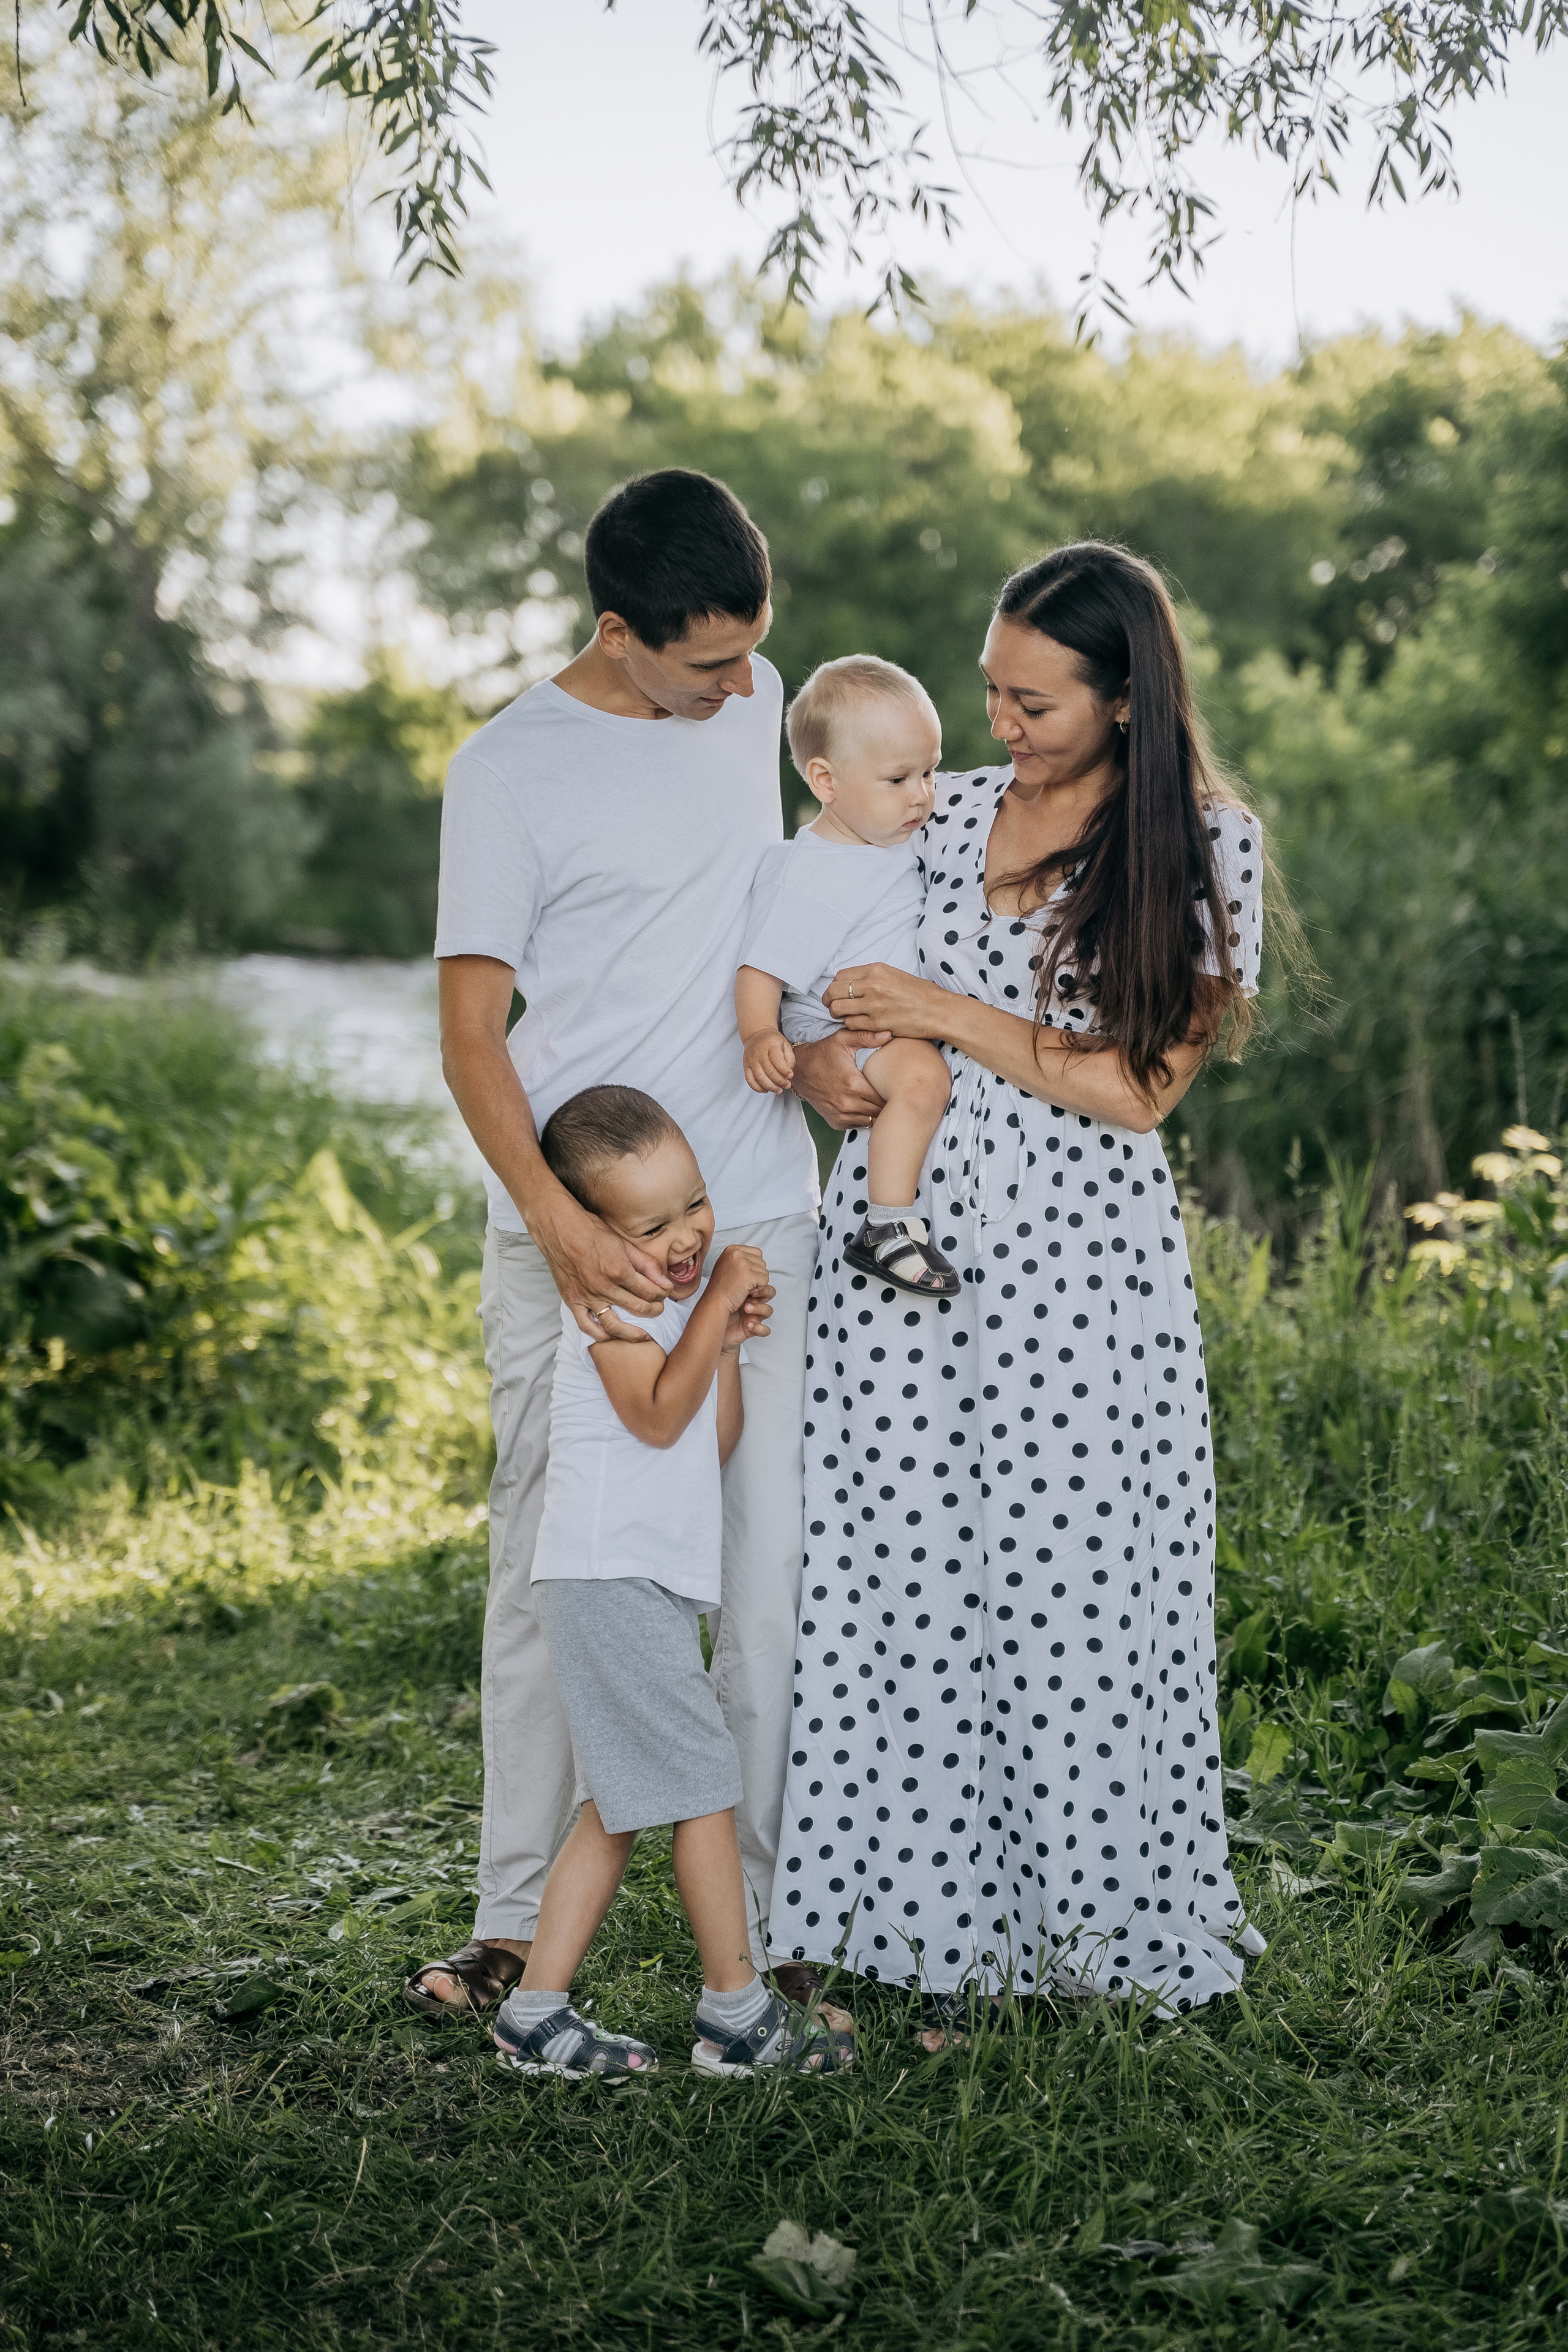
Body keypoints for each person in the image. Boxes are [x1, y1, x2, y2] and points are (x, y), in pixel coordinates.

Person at [769, 541, 1272, 2035]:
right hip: (898, 1242)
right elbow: (819, 947)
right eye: (990, 690)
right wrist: (808, 1052)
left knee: (1065, 1582)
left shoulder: (1199, 840)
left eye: (1034, 700)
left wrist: (939, 1011)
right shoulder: (945, 806)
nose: (1001, 724)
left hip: (1071, 1270)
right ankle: (922, 1937)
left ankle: (1086, 1932)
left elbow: (1132, 1090)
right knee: (902, 1575)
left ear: (1123, 698)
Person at [412, 470, 868, 2022]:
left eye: (753, 651)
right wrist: (556, 1232)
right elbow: (474, 1042)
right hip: (578, 1230)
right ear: (615, 631)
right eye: (704, 664)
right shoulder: (509, 767)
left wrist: (806, 1049)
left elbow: (777, 917)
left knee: (770, 1569)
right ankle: (503, 1928)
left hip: (754, 1211)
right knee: (556, 1573)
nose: (741, 688)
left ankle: (774, 1920)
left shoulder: (755, 712)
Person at [491, 1085, 852, 2078]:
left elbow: (711, 1435)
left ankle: (536, 2015)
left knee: (616, 1811)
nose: (689, 1233)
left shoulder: (677, 1310)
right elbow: (654, 1415)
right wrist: (710, 1320)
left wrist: (725, 1341)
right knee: (703, 1790)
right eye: (651, 1224)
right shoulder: (605, 1310)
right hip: (608, 1581)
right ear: (596, 1238)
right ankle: (737, 2015)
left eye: (694, 1203)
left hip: (635, 1586)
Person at [737, 655, 958, 1299]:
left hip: (878, 1015)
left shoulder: (891, 835)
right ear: (826, 781)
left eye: (929, 771)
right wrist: (757, 1035)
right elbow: (761, 969)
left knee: (921, 1077)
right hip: (841, 1026)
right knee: (922, 1079)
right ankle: (886, 1226)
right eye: (898, 778)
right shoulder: (817, 873)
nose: (922, 794)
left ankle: (892, 1218)